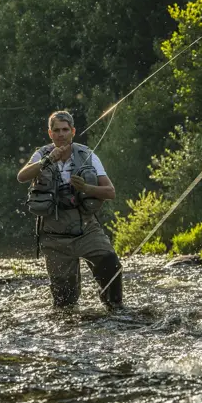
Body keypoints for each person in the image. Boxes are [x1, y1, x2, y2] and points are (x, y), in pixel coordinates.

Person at [17, 110, 123, 310]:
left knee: (110, 263)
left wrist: (86, 188)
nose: (61, 134)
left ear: (73, 131)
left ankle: (116, 312)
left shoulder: (87, 155)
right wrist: (47, 161)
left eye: (65, 130)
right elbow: (22, 177)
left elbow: (110, 192)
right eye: (56, 130)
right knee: (64, 302)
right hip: (54, 235)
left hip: (86, 228)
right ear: (50, 133)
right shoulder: (41, 154)